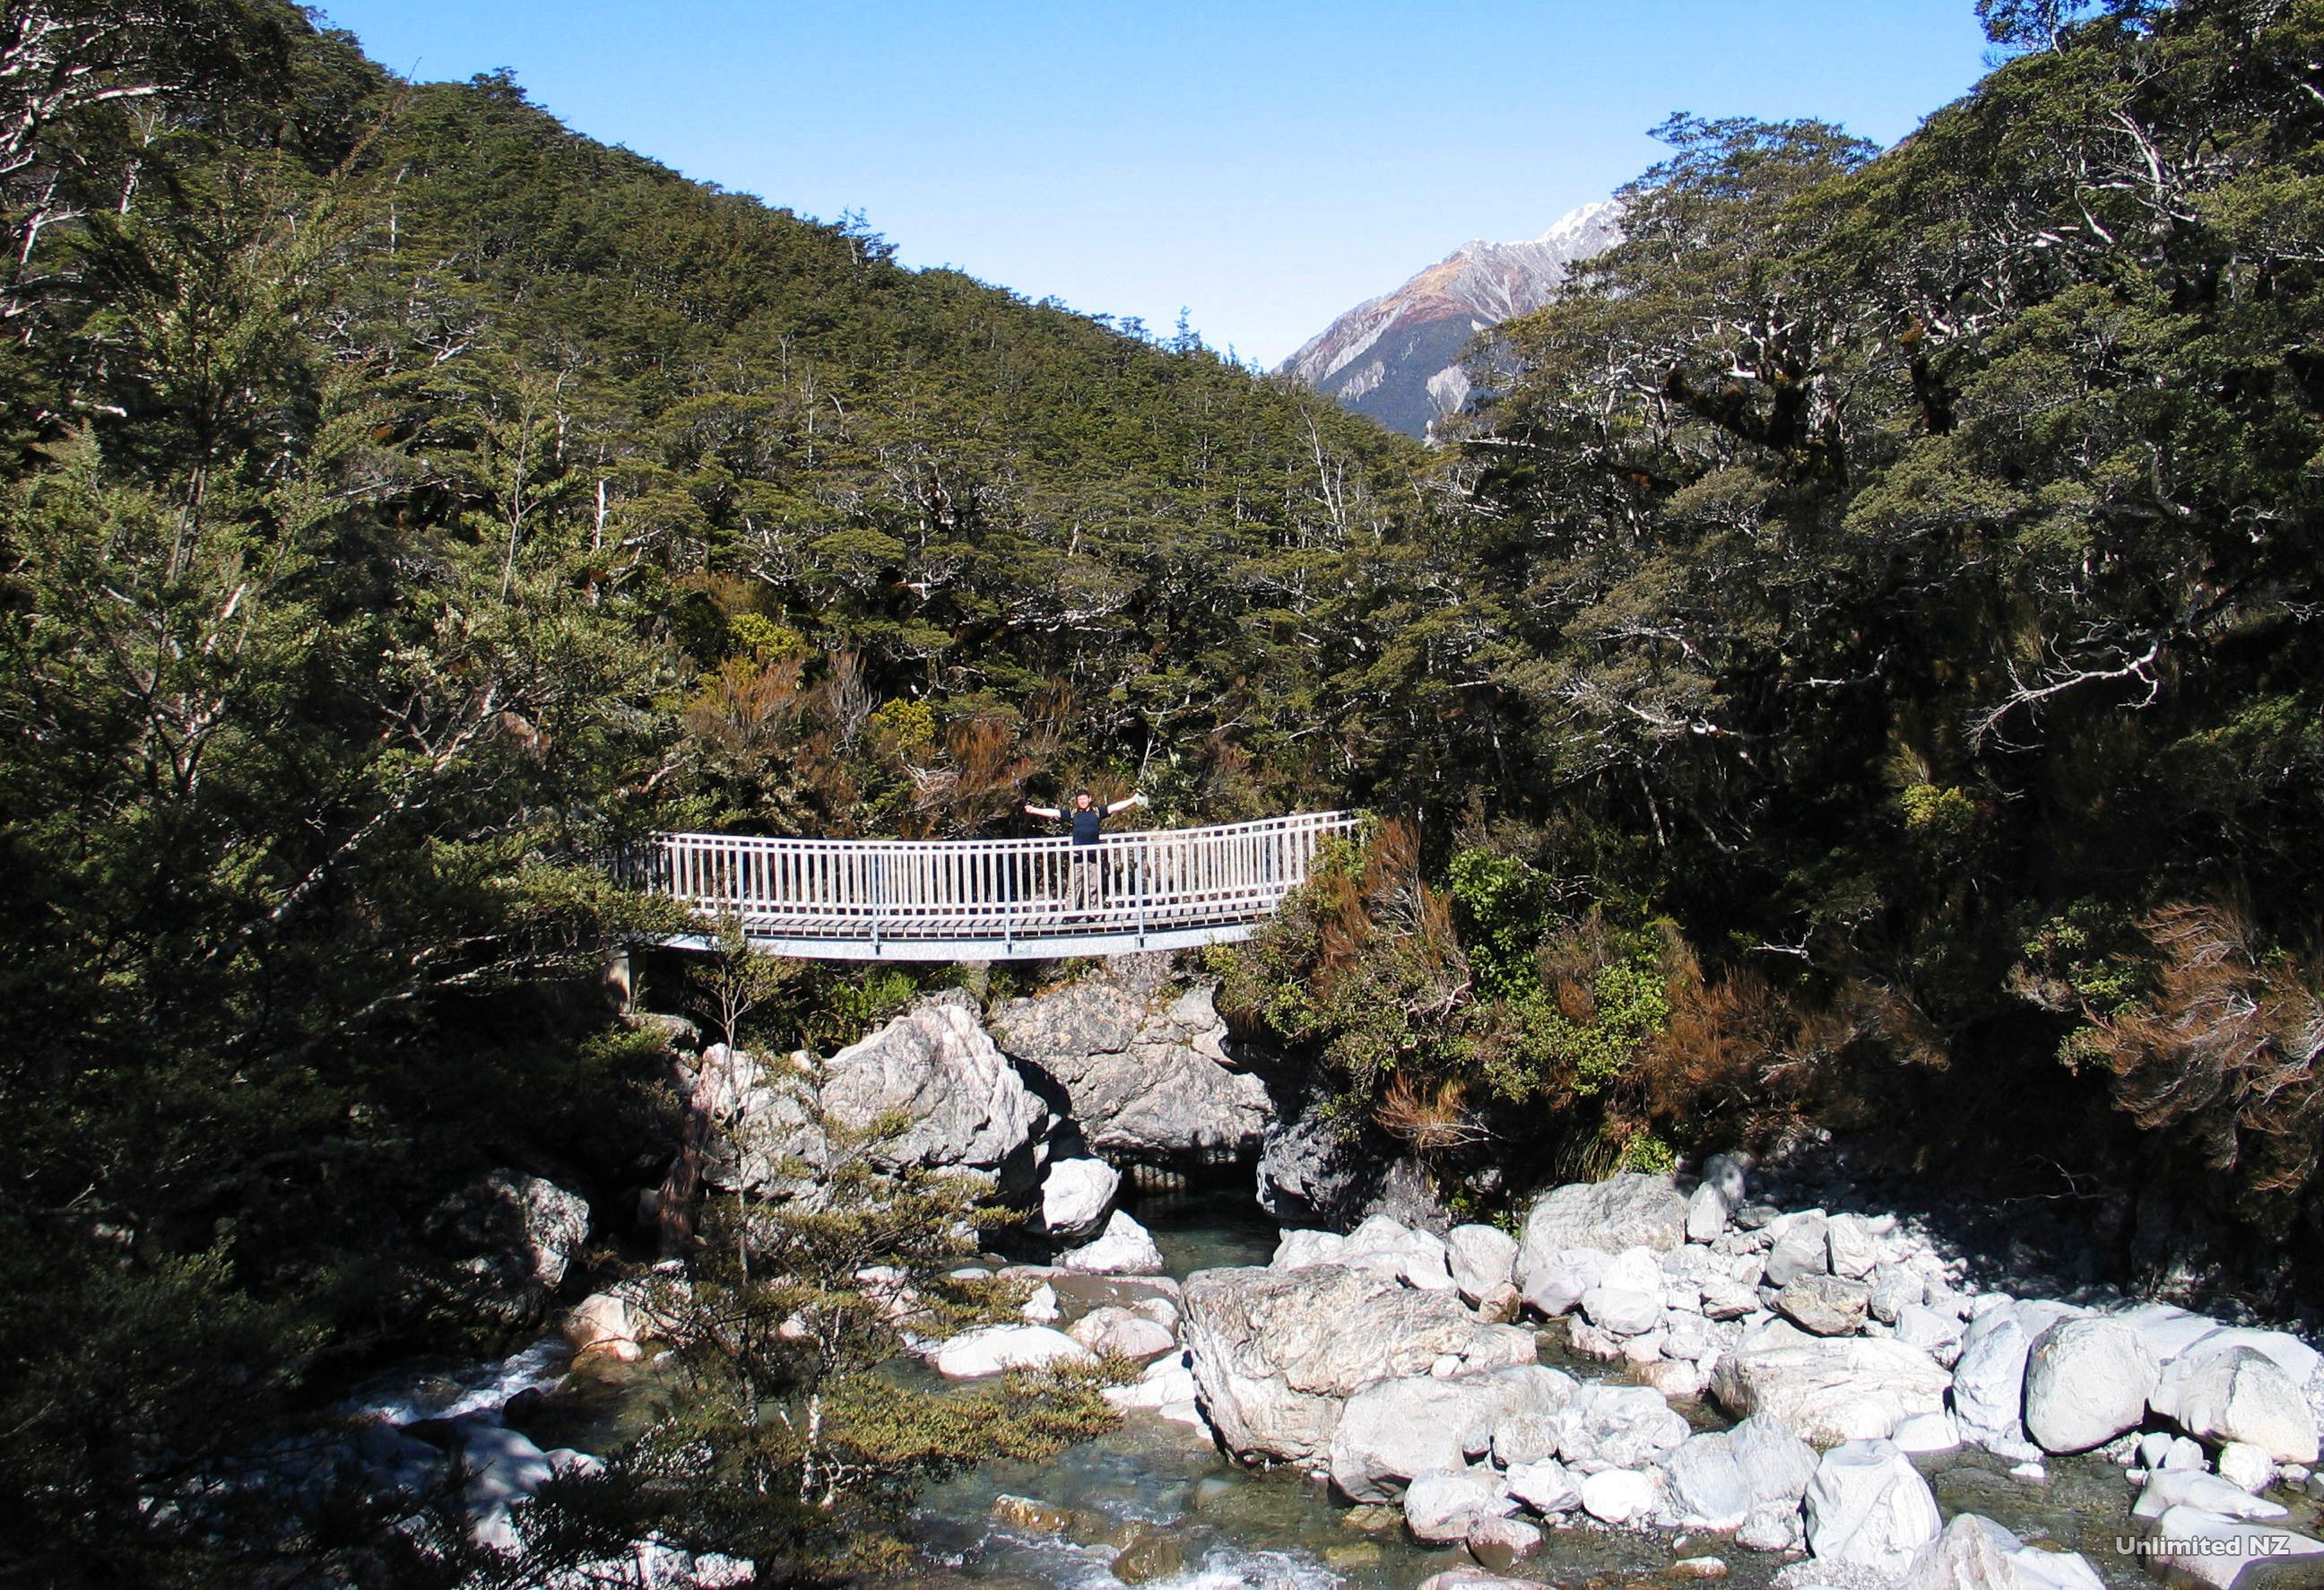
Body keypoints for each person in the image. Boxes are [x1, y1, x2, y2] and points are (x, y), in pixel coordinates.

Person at [1021, 788, 1144, 915]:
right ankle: (1071, 911)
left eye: (1085, 798)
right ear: (1077, 801)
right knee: (1073, 884)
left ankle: (1092, 910)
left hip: (1093, 854)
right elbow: (1054, 812)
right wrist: (1034, 810)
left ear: (1089, 799)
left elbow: (1115, 807)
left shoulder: (1097, 812)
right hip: (1077, 854)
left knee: (1093, 884)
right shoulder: (1073, 812)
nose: (1082, 801)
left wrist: (1133, 799)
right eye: (1080, 799)